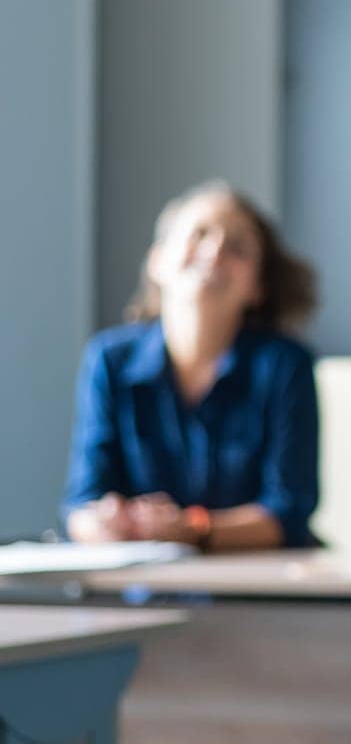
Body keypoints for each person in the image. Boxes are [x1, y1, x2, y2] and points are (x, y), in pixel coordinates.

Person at [61, 180, 322, 551]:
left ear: (257, 287)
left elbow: (289, 510)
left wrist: (193, 529)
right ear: (157, 260)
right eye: (199, 234)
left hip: (259, 585)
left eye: (237, 248)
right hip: (144, 586)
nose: (214, 252)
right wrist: (106, 524)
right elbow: (81, 502)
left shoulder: (284, 365)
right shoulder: (109, 360)